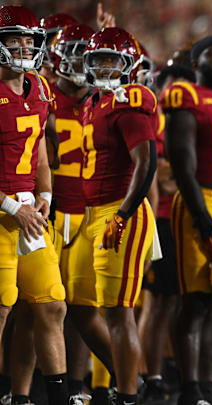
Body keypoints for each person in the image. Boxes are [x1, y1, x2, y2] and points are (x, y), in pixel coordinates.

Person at [73, 27, 158, 405]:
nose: (105, 67)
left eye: (113, 60)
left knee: (118, 311)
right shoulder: (94, 101)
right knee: (78, 304)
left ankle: (126, 397)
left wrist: (123, 214)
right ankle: (130, 380)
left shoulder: (129, 99)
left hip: (120, 212)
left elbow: (146, 163)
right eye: (99, 59)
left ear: (129, 66)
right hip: (90, 215)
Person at [162, 35, 212, 405]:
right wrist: (202, 218)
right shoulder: (186, 95)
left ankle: (209, 386)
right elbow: (182, 164)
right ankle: (190, 388)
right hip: (202, 197)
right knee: (195, 299)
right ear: (197, 62)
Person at [0, 5, 70, 405]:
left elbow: (41, 151)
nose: (24, 47)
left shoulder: (39, 86)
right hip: (4, 211)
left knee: (51, 305)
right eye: (14, 39)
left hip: (28, 209)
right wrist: (14, 208)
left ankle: (58, 398)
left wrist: (44, 196)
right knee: (1, 309)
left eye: (29, 40)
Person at [45, 22, 99, 403]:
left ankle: (77, 388)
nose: (80, 61)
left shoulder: (105, 99)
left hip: (93, 213)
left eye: (88, 52)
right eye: (73, 51)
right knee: (36, 308)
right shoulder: (43, 94)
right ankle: (21, 385)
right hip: (50, 211)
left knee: (83, 308)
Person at [140, 62, 195, 403]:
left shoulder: (187, 116)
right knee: (157, 303)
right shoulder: (158, 116)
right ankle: (152, 374)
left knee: (178, 302)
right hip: (161, 217)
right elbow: (161, 173)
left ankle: (165, 370)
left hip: (184, 217)